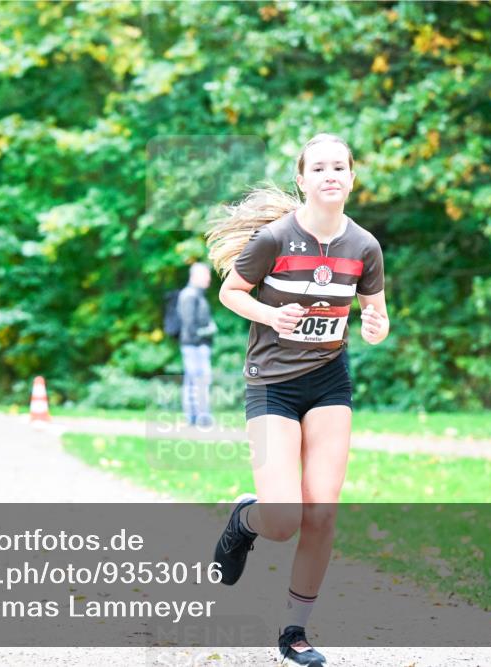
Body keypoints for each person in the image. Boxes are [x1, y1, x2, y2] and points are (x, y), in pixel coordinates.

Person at [205, 133, 389, 667]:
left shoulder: (365, 247)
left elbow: (375, 320)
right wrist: (270, 315)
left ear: (352, 178)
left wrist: (376, 325)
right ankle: (244, 521)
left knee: (322, 513)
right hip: (272, 384)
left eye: (341, 167)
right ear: (303, 180)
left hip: (330, 381)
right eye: (320, 168)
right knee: (283, 518)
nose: (332, 175)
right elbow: (231, 292)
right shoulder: (274, 239)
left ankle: (294, 634)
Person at [178, 262, 217, 427]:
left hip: (198, 346)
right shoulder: (189, 295)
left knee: (196, 381)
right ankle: (198, 417)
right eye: (205, 275)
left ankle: (197, 417)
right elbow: (189, 324)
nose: (208, 279)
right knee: (197, 381)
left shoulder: (197, 295)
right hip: (194, 346)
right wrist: (209, 330)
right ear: (195, 276)